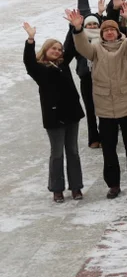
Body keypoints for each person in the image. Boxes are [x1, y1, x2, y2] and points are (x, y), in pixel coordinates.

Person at [70, 6, 127, 199]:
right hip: (105, 106)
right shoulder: (95, 48)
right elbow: (81, 47)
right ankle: (113, 184)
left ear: (118, 32)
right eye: (106, 30)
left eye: (112, 29)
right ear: (102, 34)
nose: (110, 32)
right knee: (109, 150)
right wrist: (78, 30)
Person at [23, 22, 84, 203]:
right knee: (57, 153)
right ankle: (57, 189)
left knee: (73, 151)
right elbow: (28, 61)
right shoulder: (39, 69)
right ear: (46, 50)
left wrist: (73, 27)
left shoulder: (63, 64)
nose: (57, 51)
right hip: (54, 116)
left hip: (72, 114)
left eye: (59, 49)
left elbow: (70, 45)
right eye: (53, 49)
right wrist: (30, 39)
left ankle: (76, 187)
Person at [73, 14, 101, 149]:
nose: (92, 26)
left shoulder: (102, 38)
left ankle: (105, 135)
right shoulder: (80, 38)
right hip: (86, 78)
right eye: (89, 24)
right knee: (90, 109)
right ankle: (94, 138)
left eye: (95, 24)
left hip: (102, 77)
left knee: (103, 108)